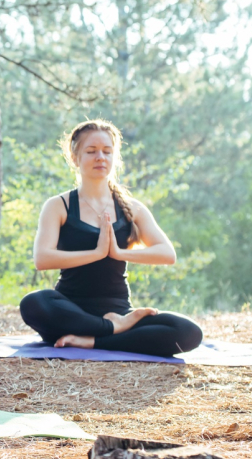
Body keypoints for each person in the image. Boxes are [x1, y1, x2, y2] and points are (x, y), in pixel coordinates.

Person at [19, 119, 203, 357]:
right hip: (70, 312)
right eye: (91, 151)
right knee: (34, 303)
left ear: (115, 157)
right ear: (75, 158)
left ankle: (93, 341)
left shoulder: (132, 208)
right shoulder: (58, 206)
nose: (100, 157)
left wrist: (118, 253)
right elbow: (42, 259)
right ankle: (111, 330)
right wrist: (96, 253)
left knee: (188, 332)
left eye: (107, 151)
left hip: (119, 310)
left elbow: (167, 254)